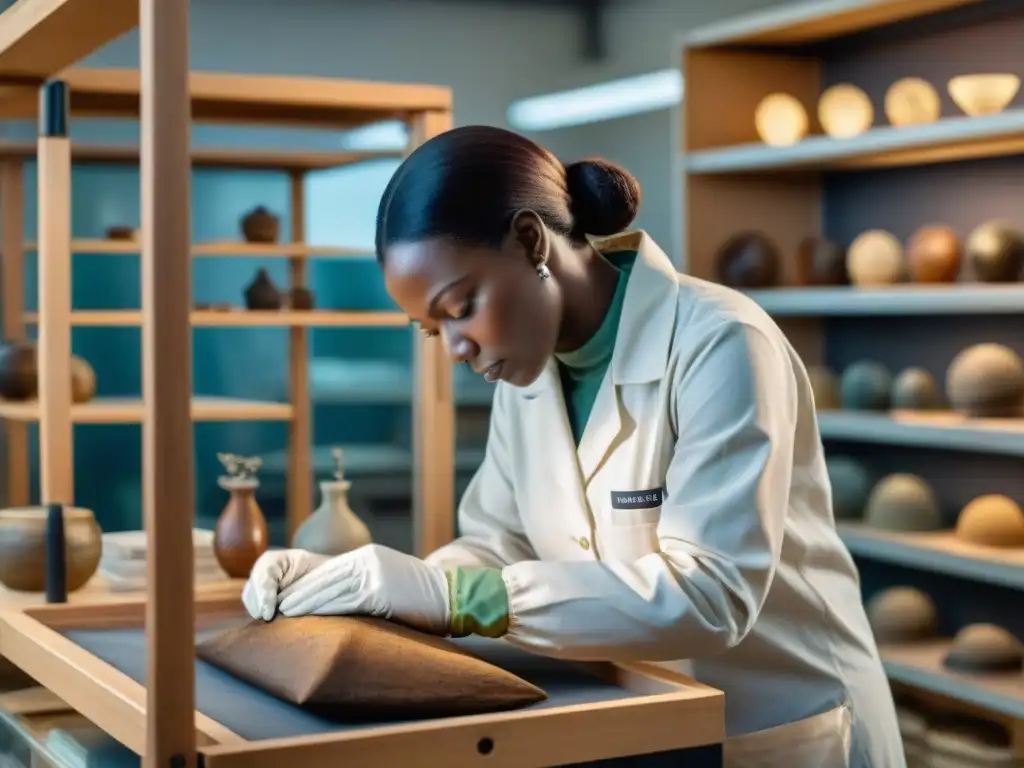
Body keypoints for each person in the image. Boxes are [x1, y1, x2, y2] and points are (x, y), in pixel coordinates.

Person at [242, 125, 905, 767]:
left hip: (782, 725)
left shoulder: (721, 344)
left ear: (531, 241)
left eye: (461, 305)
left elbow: (711, 594)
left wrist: (455, 598)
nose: (456, 349)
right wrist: (374, 590)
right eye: (430, 330)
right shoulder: (529, 373)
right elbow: (498, 542)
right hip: (648, 720)